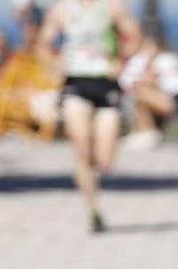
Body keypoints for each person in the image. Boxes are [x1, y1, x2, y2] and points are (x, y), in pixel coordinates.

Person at [37, 0, 141, 233]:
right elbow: (43, 43)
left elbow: (134, 36)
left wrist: (122, 61)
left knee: (104, 162)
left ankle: (95, 166)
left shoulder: (113, 6)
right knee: (81, 150)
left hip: (106, 84)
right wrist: (54, 62)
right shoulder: (62, 9)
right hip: (75, 83)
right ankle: (93, 210)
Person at [119, 31, 178, 149]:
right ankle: (143, 132)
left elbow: (155, 80)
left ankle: (148, 133)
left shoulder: (166, 59)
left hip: (174, 100)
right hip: (162, 98)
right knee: (139, 97)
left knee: (140, 93)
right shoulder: (143, 60)